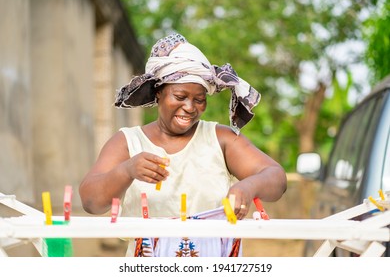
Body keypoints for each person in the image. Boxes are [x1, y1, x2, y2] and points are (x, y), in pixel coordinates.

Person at [79, 33, 287, 257]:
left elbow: (276, 177)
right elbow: (91, 202)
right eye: (180, 96)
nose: (190, 107)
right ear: (159, 93)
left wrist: (247, 187)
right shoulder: (128, 142)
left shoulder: (220, 139)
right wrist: (127, 170)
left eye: (199, 100)